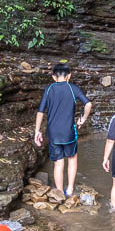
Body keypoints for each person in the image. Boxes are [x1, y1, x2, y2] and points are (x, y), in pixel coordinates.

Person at [34, 63, 91, 197]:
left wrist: (37, 131)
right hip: (69, 133)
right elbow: (88, 104)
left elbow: (40, 111)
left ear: (54, 77)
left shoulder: (49, 89)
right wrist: (83, 118)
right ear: (69, 76)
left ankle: (59, 193)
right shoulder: (73, 89)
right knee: (72, 158)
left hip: (53, 133)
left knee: (58, 163)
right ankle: (70, 189)